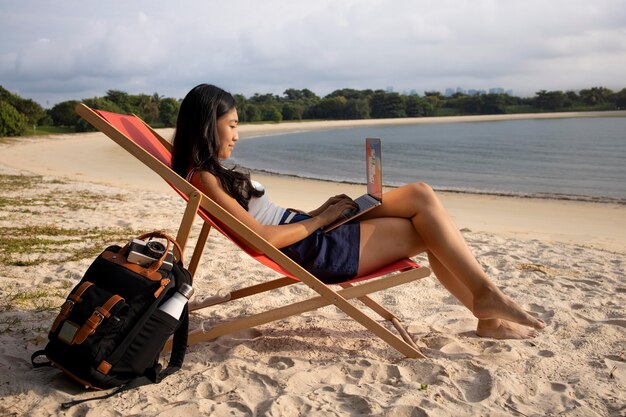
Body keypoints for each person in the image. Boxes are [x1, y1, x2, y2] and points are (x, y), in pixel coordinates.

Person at [171, 84, 546, 340]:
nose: (237, 135)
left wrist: (321, 210)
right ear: (208, 124)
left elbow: (270, 218)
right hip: (314, 249)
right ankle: (486, 304)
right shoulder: (203, 178)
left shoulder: (208, 173)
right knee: (427, 224)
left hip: (308, 229)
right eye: (232, 125)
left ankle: (487, 305)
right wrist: (319, 221)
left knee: (421, 195)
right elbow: (264, 237)